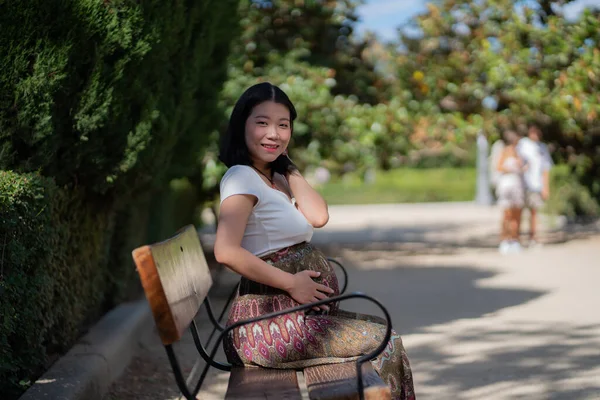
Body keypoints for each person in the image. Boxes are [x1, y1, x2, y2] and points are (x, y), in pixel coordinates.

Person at [214, 82, 416, 399]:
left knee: (383, 333)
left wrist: (288, 165)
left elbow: (318, 216)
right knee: (384, 341)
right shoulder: (241, 177)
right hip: (265, 326)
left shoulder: (275, 177)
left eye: (283, 125)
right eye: (262, 122)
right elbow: (225, 250)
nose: (274, 134)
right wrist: (291, 283)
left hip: (294, 318)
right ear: (242, 125)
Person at [517, 124, 553, 247]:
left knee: (534, 212)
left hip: (536, 184)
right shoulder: (523, 143)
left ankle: (533, 237)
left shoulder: (542, 147)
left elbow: (545, 169)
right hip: (523, 183)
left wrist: (545, 187)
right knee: (519, 211)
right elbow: (516, 159)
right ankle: (517, 237)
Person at [495, 130, 526, 254]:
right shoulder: (504, 152)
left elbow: (522, 167)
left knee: (517, 214)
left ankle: (515, 239)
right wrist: (510, 168)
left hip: (517, 185)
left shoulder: (518, 152)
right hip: (506, 185)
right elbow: (498, 167)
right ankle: (505, 239)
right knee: (507, 214)